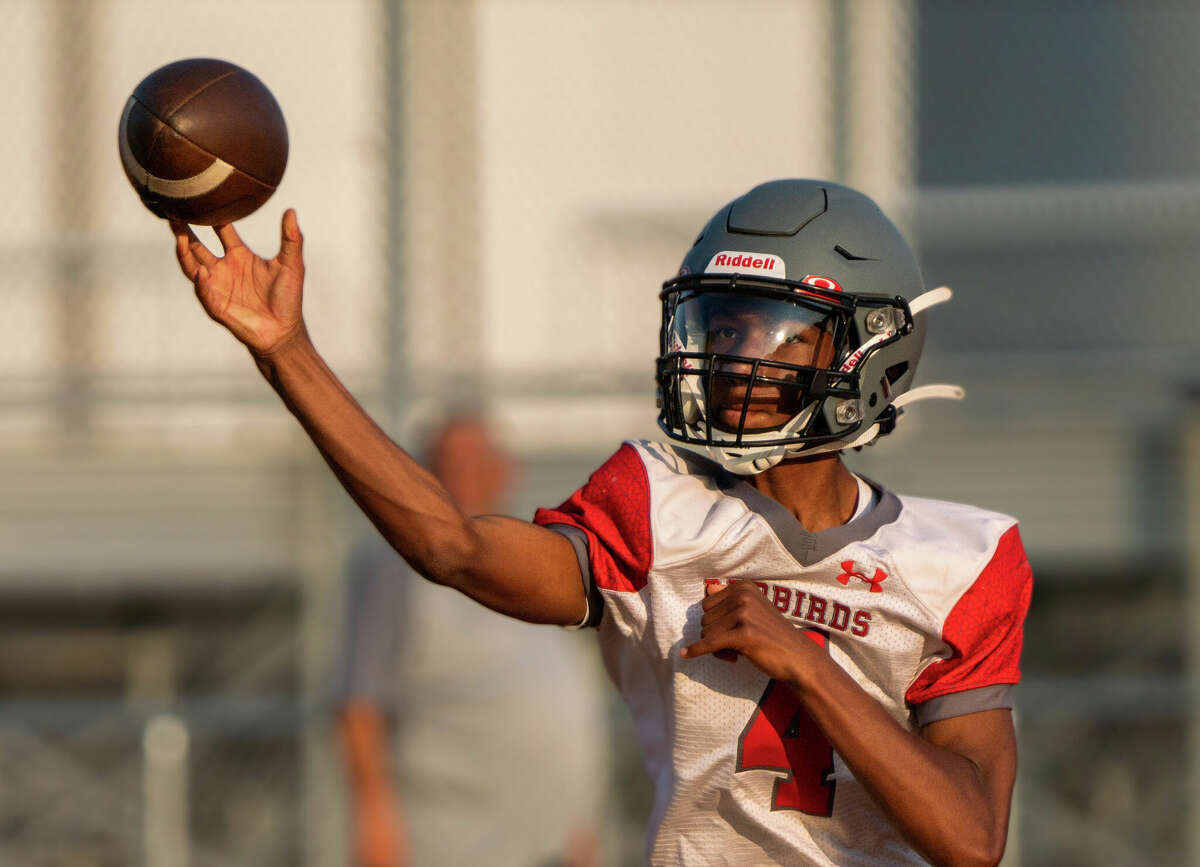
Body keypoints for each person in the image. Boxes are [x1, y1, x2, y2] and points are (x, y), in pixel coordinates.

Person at [170, 178, 1032, 866]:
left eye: (770, 330)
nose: (733, 358)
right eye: (721, 325)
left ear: (869, 344)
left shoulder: (959, 561)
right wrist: (287, 352)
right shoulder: (660, 504)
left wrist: (807, 662)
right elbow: (454, 546)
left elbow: (970, 838)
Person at [336, 415, 606, 867]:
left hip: (547, 843)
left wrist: (578, 826)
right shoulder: (394, 566)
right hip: (446, 843)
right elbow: (359, 706)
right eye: (449, 462)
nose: (465, 475)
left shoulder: (536, 556)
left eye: (478, 460)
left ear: (506, 471)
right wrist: (375, 821)